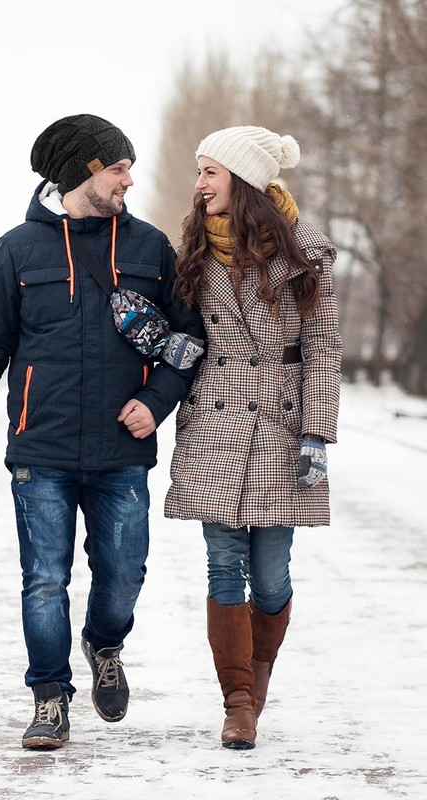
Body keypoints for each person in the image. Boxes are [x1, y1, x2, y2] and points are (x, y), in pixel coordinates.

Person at [0, 113, 205, 749]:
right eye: (118, 167)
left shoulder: (151, 248)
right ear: (83, 173)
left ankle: (104, 644)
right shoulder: (18, 249)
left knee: (124, 574)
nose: (129, 179)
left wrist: (155, 402)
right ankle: (48, 697)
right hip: (40, 450)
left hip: (122, 450)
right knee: (44, 579)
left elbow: (187, 341)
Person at [164, 126, 342, 749]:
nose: (199, 183)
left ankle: (257, 679)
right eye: (198, 171)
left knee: (270, 577)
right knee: (223, 564)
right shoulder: (193, 251)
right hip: (215, 420)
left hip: (282, 424)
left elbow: (324, 348)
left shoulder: (306, 254)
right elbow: (183, 329)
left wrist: (317, 433)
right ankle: (238, 701)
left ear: (241, 180)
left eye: (210, 171)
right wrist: (164, 343)